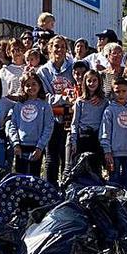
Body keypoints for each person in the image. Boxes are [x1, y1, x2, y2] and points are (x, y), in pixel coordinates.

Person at [38, 37, 76, 182]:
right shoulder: (43, 71)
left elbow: (77, 91)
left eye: (62, 46)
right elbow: (45, 97)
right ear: (49, 49)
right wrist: (64, 99)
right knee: (51, 158)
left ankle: (67, 188)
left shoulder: (73, 68)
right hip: (51, 118)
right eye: (55, 46)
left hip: (69, 119)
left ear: (66, 49)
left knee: (67, 158)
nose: (59, 49)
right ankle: (50, 190)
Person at [6, 73, 54, 175]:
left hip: (36, 146)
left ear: (39, 86)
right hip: (21, 146)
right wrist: (15, 144)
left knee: (34, 176)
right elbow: (12, 125)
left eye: (34, 84)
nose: (31, 87)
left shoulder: (45, 106)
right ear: (23, 87)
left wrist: (40, 147)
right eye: (27, 85)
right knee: (20, 176)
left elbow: (48, 127)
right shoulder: (19, 105)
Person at [102, 78, 127, 187]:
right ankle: (114, 203)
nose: (121, 94)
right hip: (114, 153)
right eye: (117, 91)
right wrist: (107, 151)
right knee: (114, 181)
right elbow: (105, 131)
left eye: (124, 91)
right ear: (112, 93)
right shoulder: (109, 110)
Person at [68, 69, 108, 166]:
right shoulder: (80, 101)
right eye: (89, 81)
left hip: (97, 136)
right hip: (83, 136)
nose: (92, 83)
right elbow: (75, 123)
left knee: (95, 166)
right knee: (81, 165)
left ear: (99, 82)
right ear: (84, 83)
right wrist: (74, 140)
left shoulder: (104, 101)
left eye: (94, 80)